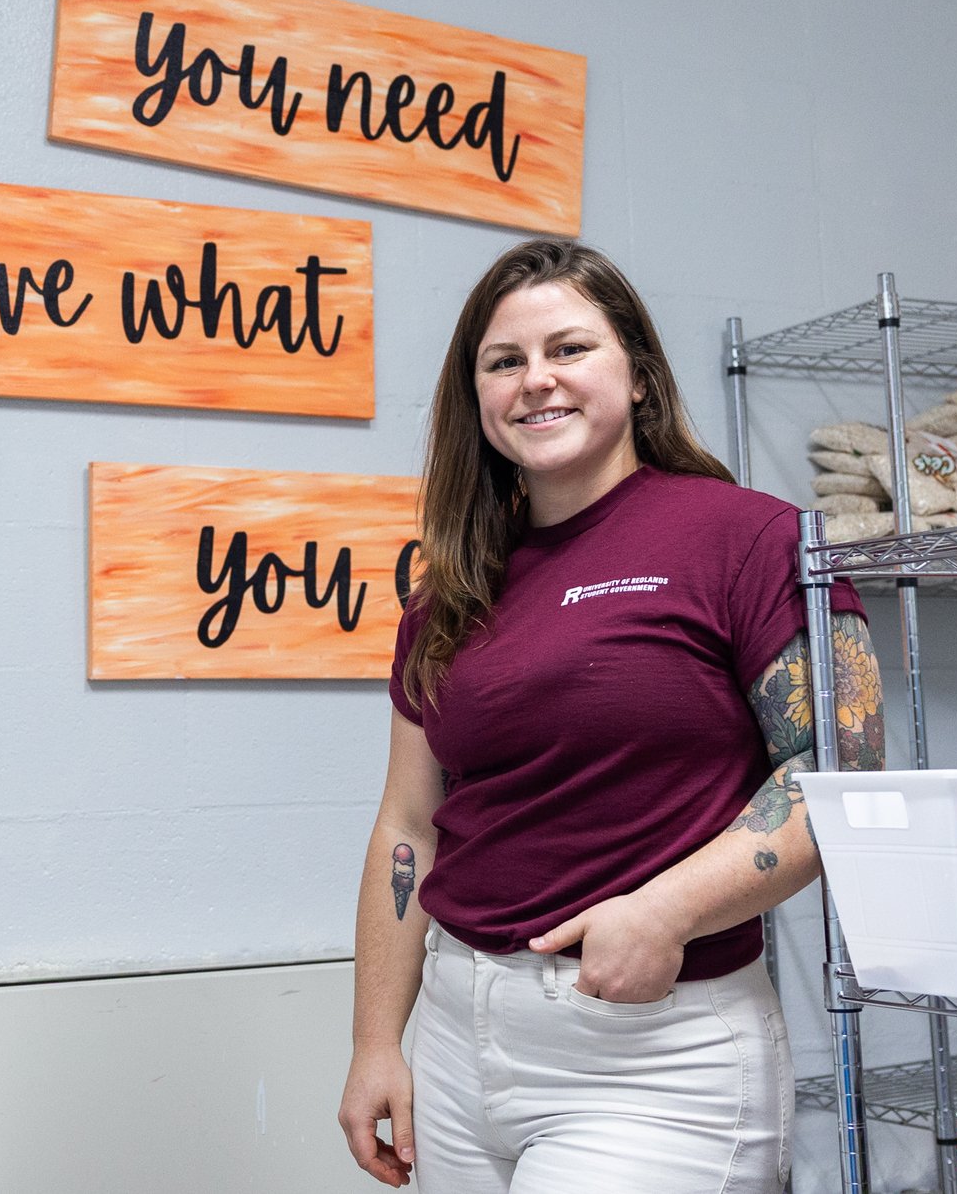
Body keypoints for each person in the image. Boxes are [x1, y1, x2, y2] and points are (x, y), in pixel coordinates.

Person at [337, 239, 884, 1193]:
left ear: (636, 374)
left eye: (569, 349)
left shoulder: (750, 538)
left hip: (653, 1050)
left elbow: (840, 771)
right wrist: (376, 1041)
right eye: (504, 362)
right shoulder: (450, 592)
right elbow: (408, 827)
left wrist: (664, 910)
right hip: (458, 1044)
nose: (536, 381)